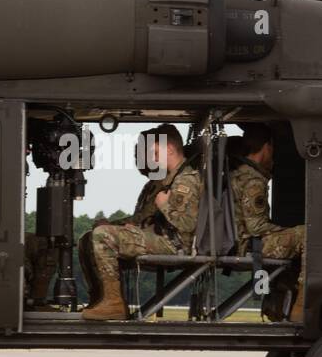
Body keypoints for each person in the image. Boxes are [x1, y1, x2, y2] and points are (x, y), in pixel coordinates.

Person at [80, 124, 202, 320]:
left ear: (169, 149)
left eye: (154, 151)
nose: (150, 158)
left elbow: (187, 226)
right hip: (160, 238)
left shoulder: (186, 180)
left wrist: (164, 206)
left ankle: (114, 305)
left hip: (175, 245)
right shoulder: (162, 182)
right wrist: (118, 225)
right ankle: (101, 300)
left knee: (103, 236)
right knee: (90, 236)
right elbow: (143, 218)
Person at [229, 124, 307, 322]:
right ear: (266, 147)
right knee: (307, 234)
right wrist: (285, 230)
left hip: (237, 242)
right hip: (247, 244)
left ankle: (279, 300)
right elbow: (256, 227)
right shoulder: (253, 180)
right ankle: (302, 302)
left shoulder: (237, 172)